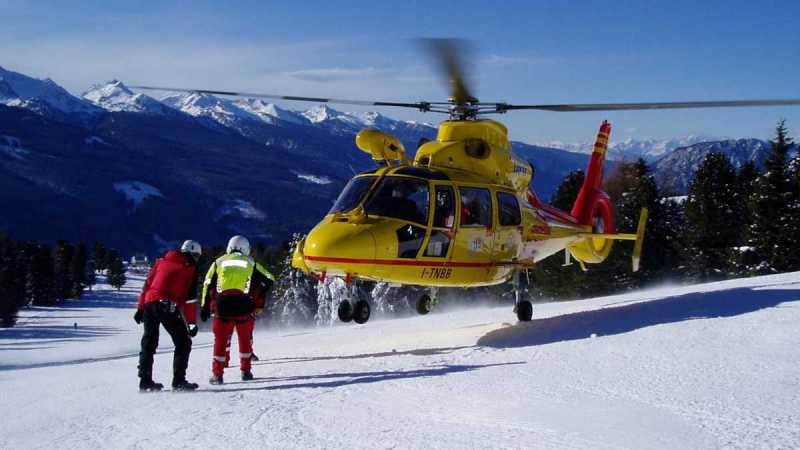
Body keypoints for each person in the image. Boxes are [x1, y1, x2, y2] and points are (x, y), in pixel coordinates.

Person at [201, 235, 274, 385]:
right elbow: (269, 278)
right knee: (244, 339)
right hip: (243, 305)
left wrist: (204, 306)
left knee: (220, 341)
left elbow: (207, 284)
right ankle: (246, 372)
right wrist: (258, 293)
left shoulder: (218, 262)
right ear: (245, 248)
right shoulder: (250, 262)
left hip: (222, 306)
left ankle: (217, 375)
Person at [134, 240, 202, 392]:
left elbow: (147, 285)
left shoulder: (161, 262)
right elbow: (190, 300)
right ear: (192, 254)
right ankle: (179, 381)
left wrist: (140, 308)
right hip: (167, 305)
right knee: (183, 342)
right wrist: (191, 323)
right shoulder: (190, 269)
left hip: (149, 304)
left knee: (149, 342)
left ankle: (145, 381)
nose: (196, 260)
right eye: (197, 256)